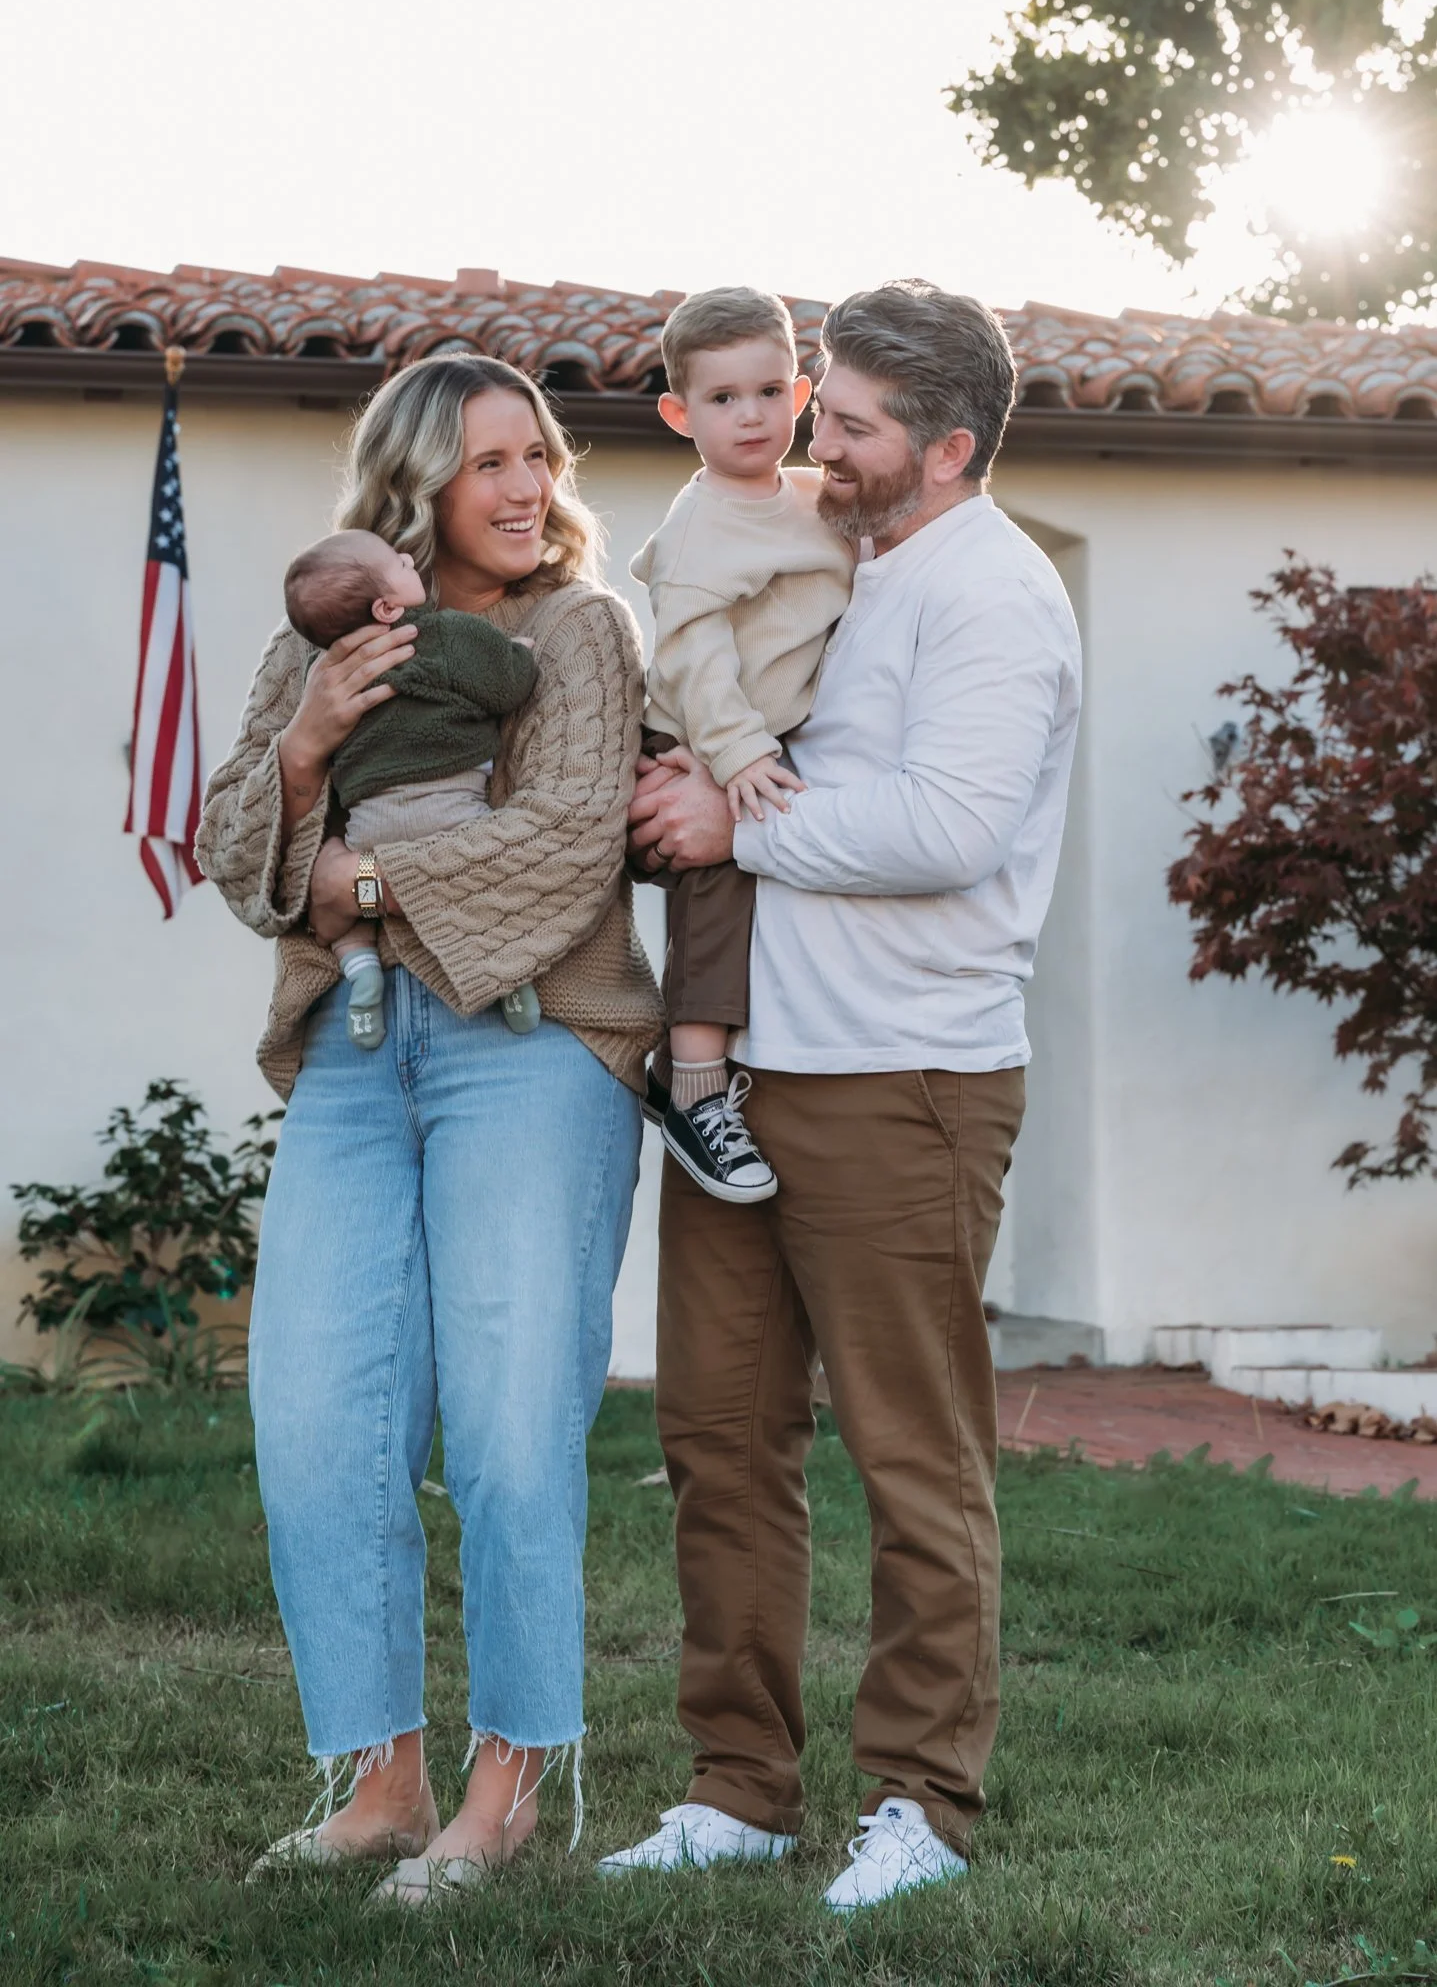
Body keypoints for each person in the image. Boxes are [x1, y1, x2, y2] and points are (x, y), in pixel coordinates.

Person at [607, 281, 1082, 1910]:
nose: (818, 436)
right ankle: (738, 1786)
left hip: (909, 1086)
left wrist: (735, 829)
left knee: (910, 1456)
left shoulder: (993, 596)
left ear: (947, 449)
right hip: (745, 1082)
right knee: (721, 1440)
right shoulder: (838, 559)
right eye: (823, 407)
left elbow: (942, 829)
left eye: (855, 423)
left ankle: (920, 1806)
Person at [196, 353, 663, 1903]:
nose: (530, 488)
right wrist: (309, 751)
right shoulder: (317, 643)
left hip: (530, 1051)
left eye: (538, 457)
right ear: (415, 488)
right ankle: (381, 1780)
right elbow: (231, 841)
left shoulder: (582, 628)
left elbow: (571, 842)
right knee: (319, 1417)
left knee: (515, 1424)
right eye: (490, 466)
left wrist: (363, 886)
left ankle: (510, 1782)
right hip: (349, 1052)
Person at [631, 286, 853, 1202]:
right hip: (697, 734)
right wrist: (734, 757)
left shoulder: (808, 503)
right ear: (680, 415)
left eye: (768, 392)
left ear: (802, 395)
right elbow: (690, 651)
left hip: (761, 735)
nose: (750, 415)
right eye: (722, 400)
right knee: (718, 879)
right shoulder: (698, 528)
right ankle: (691, 1087)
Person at [281, 526, 539, 1049]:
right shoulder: (442, 634)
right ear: (386, 610)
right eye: (397, 566)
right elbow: (511, 682)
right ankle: (510, 976)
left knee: (347, 916)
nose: (407, 557)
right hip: (448, 807)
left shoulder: (322, 673)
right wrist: (517, 652)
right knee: (482, 882)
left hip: (367, 823)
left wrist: (355, 881)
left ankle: (361, 969)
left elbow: (331, 887)